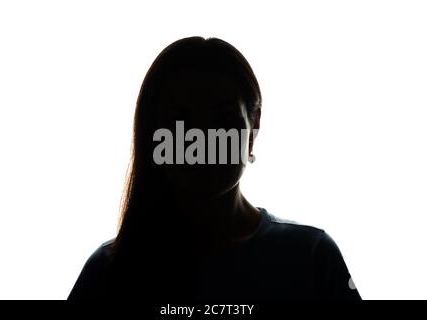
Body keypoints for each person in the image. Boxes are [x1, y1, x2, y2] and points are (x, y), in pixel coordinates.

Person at [68, 36, 361, 301]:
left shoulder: (312, 258)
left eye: (223, 118)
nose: (203, 140)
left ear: (254, 124)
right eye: (180, 120)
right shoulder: (108, 272)